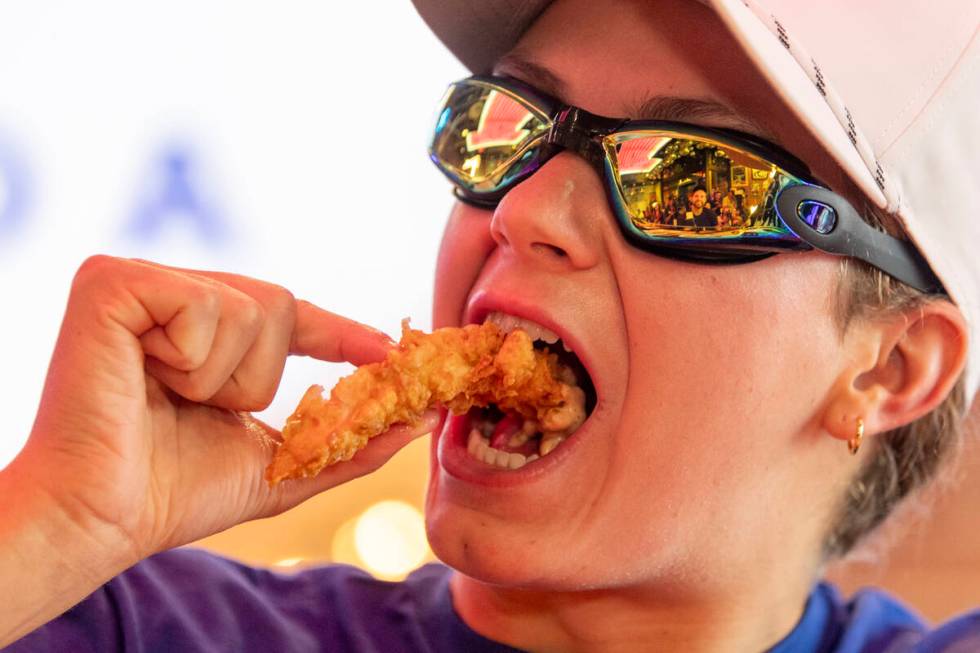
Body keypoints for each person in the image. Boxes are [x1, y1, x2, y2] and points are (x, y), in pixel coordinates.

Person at [2, 0, 979, 651]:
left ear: (889, 366)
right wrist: (57, 523)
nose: (520, 210)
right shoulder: (132, 624)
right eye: (505, 122)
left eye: (688, 178)